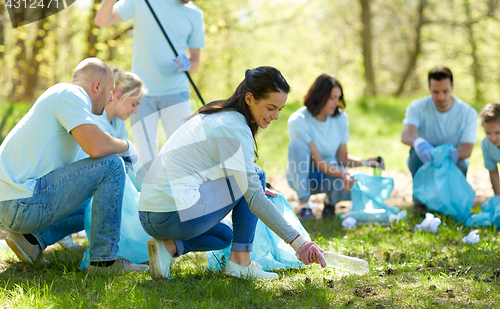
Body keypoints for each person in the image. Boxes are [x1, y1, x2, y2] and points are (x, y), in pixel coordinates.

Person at [138, 66, 327, 280]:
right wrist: (300, 243)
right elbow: (254, 197)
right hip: (171, 215)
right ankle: (240, 264)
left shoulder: (216, 115)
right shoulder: (235, 127)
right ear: (249, 98)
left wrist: (248, 187)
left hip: (150, 215)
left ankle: (170, 247)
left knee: (225, 235)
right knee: (256, 175)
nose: (275, 116)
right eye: (270, 108)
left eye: (279, 110)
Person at [0, 58, 148, 274]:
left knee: (101, 195)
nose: (109, 98)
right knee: (112, 165)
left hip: (14, 201)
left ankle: (30, 239)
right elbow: (97, 148)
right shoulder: (70, 94)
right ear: (97, 86)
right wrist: (127, 146)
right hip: (18, 202)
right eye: (110, 91)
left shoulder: (68, 104)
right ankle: (103, 262)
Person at [95, 0, 205, 165]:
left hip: (177, 92)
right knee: (146, 161)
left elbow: (196, 59)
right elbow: (102, 21)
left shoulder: (195, 14)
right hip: (141, 96)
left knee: (183, 156)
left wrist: (188, 63)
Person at [79, 67, 151, 268]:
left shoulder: (119, 124)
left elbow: (131, 164)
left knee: (143, 184)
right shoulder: (96, 120)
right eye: (134, 104)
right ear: (118, 95)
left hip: (109, 181)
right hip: (91, 184)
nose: (135, 110)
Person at [286, 74, 384, 221]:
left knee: (356, 185)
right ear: (319, 96)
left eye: (338, 98)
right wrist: (343, 173)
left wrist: (366, 162)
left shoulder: (340, 118)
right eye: (332, 98)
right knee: (297, 146)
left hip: (330, 173)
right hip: (306, 177)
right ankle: (304, 205)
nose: (336, 103)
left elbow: (342, 157)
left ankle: (330, 202)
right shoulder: (298, 120)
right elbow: (318, 162)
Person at [401, 66, 477, 212]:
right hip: (425, 157)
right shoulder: (417, 107)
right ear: (429, 88)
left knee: (461, 163)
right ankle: (421, 203)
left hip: (452, 158)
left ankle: (452, 199)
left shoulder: (468, 113)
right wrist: (419, 142)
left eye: (445, 91)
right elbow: (406, 135)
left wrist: (449, 154)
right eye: (435, 92)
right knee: (415, 154)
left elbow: (467, 149)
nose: (440, 97)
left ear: (452, 88)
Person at [480, 103, 500, 196]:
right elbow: (493, 172)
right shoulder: (486, 144)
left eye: (497, 133)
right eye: (488, 133)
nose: (493, 138)